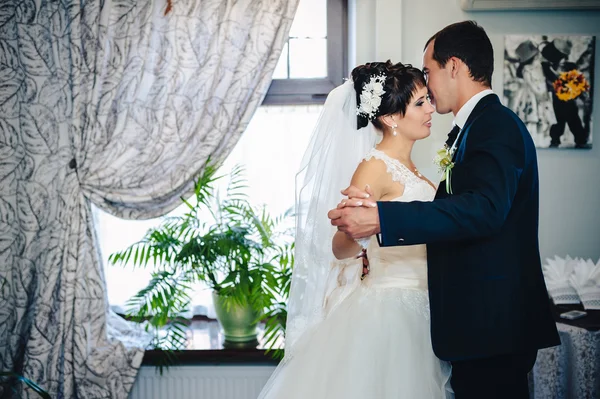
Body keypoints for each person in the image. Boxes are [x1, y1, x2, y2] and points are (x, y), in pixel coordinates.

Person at [328, 21, 560, 399]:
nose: (428, 89)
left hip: (489, 327)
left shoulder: (493, 127)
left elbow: (483, 210)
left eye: (428, 72)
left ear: (453, 67)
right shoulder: (477, 128)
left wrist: (382, 221)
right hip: (457, 323)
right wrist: (367, 244)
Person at [257, 61, 452, 399]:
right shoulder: (373, 168)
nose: (430, 109)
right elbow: (339, 246)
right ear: (390, 118)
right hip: (391, 312)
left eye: (428, 100)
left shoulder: (414, 169)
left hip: (424, 307)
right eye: (420, 103)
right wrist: (358, 233)